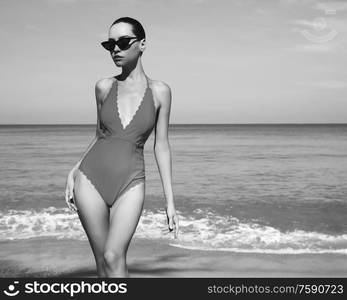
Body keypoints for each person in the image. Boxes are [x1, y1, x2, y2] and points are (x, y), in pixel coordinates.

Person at [64, 17, 179, 278]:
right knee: (103, 263)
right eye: (110, 44)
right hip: (89, 179)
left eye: (123, 42)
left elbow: (161, 146)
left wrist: (170, 201)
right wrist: (74, 170)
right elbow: (99, 135)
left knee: (113, 256)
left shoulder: (161, 92)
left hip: (131, 180)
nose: (116, 49)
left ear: (142, 44)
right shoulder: (103, 87)